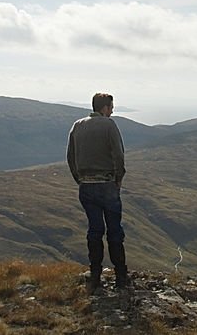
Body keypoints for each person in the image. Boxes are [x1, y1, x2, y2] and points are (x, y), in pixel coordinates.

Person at [67, 92, 128, 293]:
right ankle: (120, 277)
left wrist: (80, 179)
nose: (112, 111)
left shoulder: (77, 125)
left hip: (86, 186)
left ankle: (95, 276)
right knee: (114, 230)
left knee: (94, 230)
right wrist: (118, 178)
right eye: (111, 107)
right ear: (104, 108)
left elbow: (70, 156)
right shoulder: (109, 125)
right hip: (107, 184)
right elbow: (118, 155)